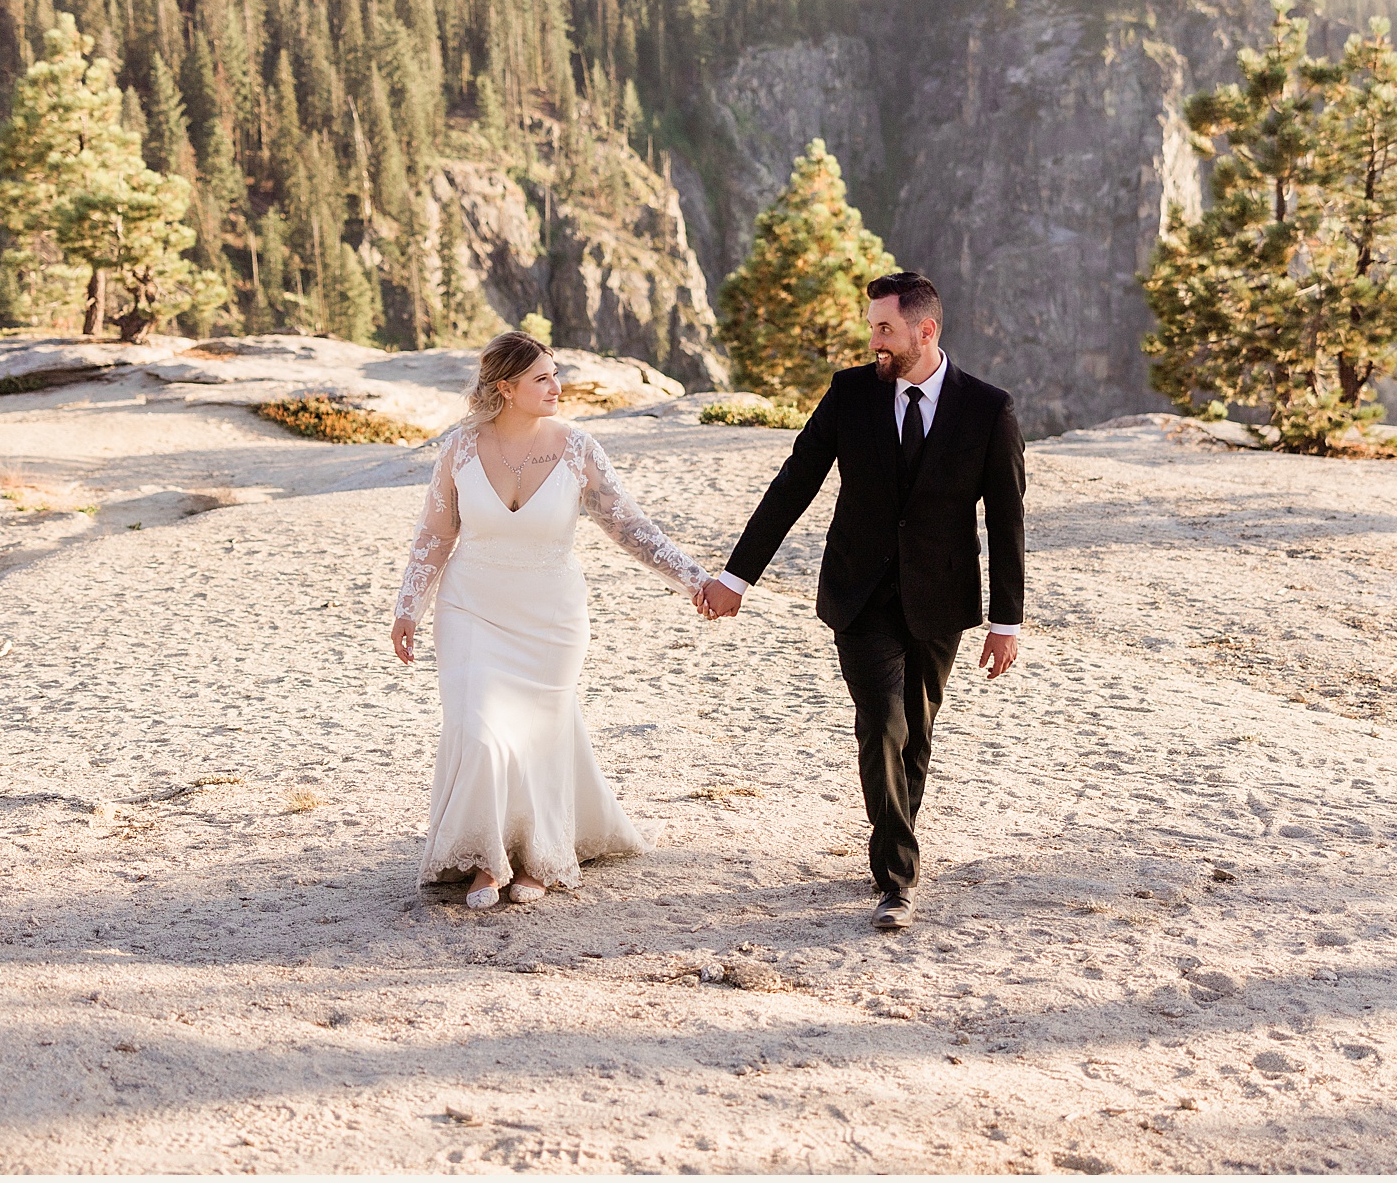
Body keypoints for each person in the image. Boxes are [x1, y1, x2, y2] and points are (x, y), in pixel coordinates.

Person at [698, 271, 1025, 931]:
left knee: (916, 734)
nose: (873, 339)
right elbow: (794, 483)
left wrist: (1005, 620)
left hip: (941, 599)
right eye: (872, 326)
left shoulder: (989, 409)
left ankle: (893, 839)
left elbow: (1007, 518)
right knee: (882, 720)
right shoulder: (850, 394)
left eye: (885, 329)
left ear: (923, 332)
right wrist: (736, 578)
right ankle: (897, 877)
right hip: (858, 594)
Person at [391, 330, 709, 909]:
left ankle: (537, 857)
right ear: (505, 388)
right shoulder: (461, 449)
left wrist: (695, 580)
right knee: (480, 732)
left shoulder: (577, 447)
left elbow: (630, 527)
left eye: (555, 373)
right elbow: (436, 535)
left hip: (551, 617)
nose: (557, 387)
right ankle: (486, 861)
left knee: (537, 737)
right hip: (470, 610)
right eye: (542, 377)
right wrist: (407, 607)